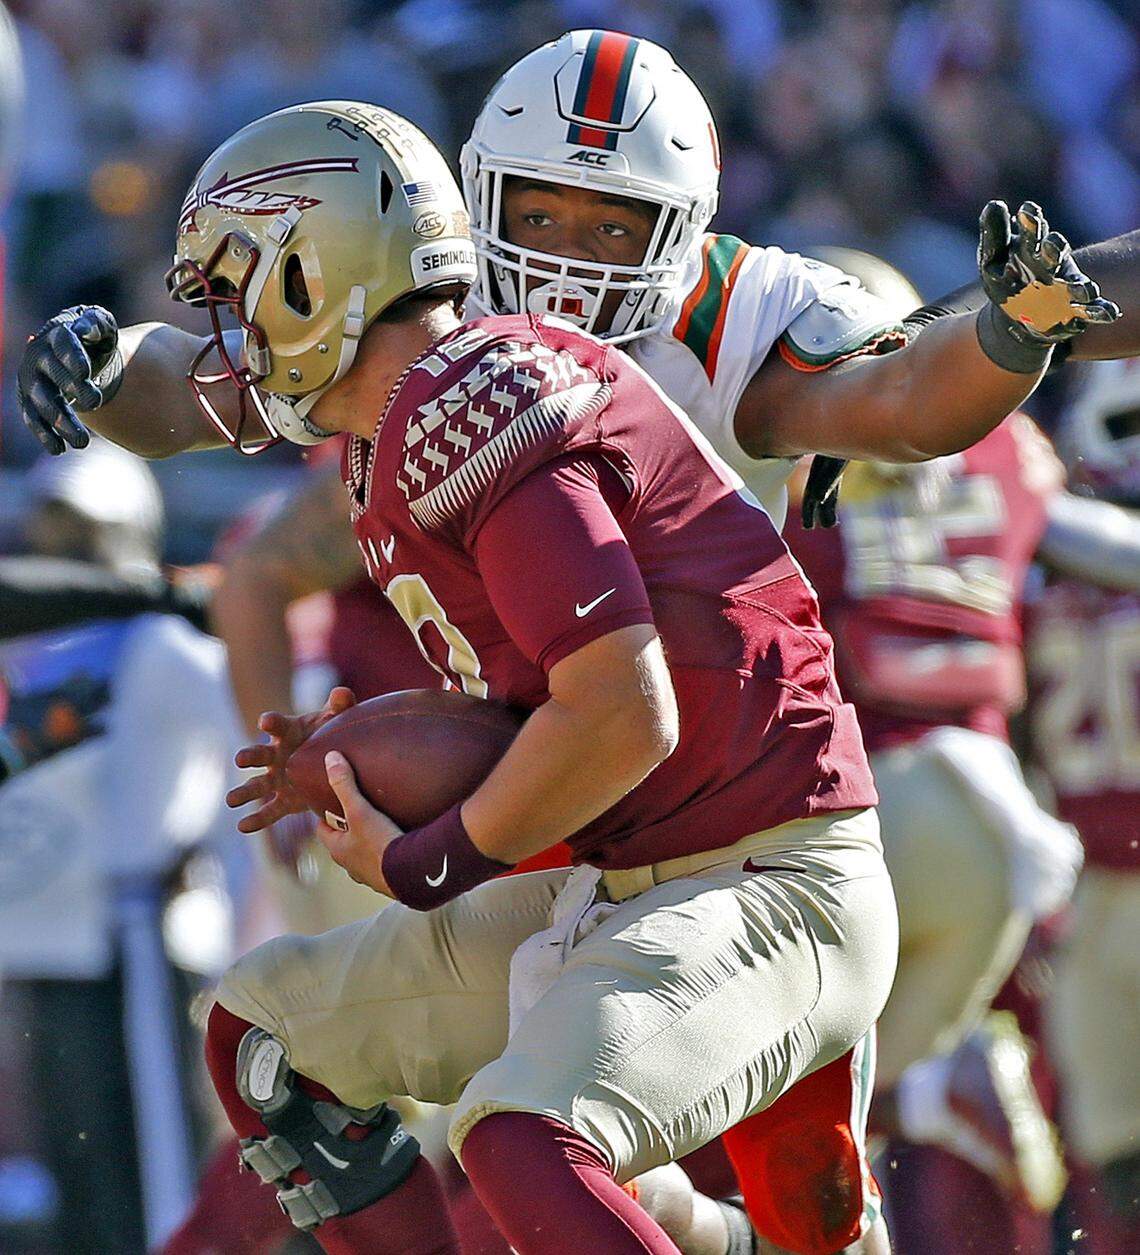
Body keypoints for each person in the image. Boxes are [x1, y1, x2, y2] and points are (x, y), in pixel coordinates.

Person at [13, 34, 1124, 1255]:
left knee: (612, 1155)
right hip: (582, 810)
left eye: (612, 228)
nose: (566, 260)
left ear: (685, 227)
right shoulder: (431, 343)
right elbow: (229, 388)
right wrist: (110, 364)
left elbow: (910, 399)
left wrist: (1019, 333)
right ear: (474, 205)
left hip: (743, 795)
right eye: (540, 213)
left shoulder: (672, 331)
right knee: (329, 1061)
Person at [0, 440, 242, 1252]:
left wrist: (210, 856)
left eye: (79, 528)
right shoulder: (27, 646)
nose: (56, 545)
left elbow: (248, 741)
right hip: (49, 940)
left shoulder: (159, 642)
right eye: (48, 526)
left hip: (139, 932)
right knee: (79, 1158)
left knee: (157, 1160)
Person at [1027, 358, 1140, 1255]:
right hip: (1094, 890)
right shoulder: (1035, 556)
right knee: (1113, 1169)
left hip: (1097, 891)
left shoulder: (1039, 539)